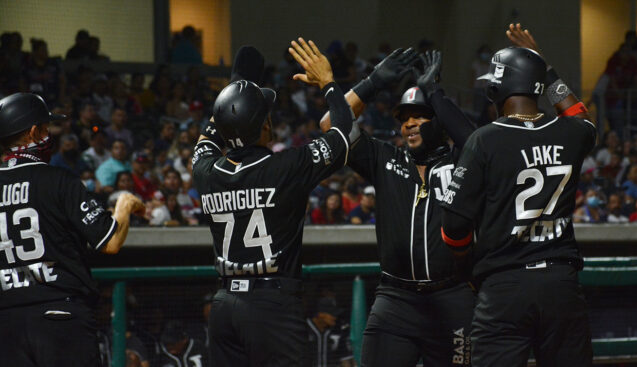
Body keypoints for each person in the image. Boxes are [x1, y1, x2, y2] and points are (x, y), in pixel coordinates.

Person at [192, 39, 354, 366]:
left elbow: (207, 140)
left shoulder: (206, 172)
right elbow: (343, 132)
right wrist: (329, 83)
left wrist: (232, 99)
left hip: (224, 305)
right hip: (271, 306)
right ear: (265, 125)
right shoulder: (285, 167)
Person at [440, 24, 594, 366]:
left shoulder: (485, 139)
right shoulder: (571, 132)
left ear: (499, 86)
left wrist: (465, 270)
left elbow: (453, 227)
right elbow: (578, 114)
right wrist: (545, 67)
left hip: (505, 285)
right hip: (561, 283)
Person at [320, 49, 477, 367]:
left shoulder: (461, 161)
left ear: (440, 120)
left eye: (420, 115)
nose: (409, 124)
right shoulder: (385, 158)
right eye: (404, 118)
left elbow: (477, 142)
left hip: (453, 297)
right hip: (395, 300)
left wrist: (436, 93)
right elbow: (329, 124)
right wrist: (372, 82)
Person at [0, 92, 145, 366]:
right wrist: (123, 206)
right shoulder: (58, 180)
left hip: (6, 323)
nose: (50, 133)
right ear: (33, 132)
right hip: (59, 316)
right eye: (46, 127)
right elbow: (111, 241)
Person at [305, 297, 355, 367]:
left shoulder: (339, 330)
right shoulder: (303, 329)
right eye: (332, 314)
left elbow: (345, 359)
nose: (335, 317)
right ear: (320, 315)